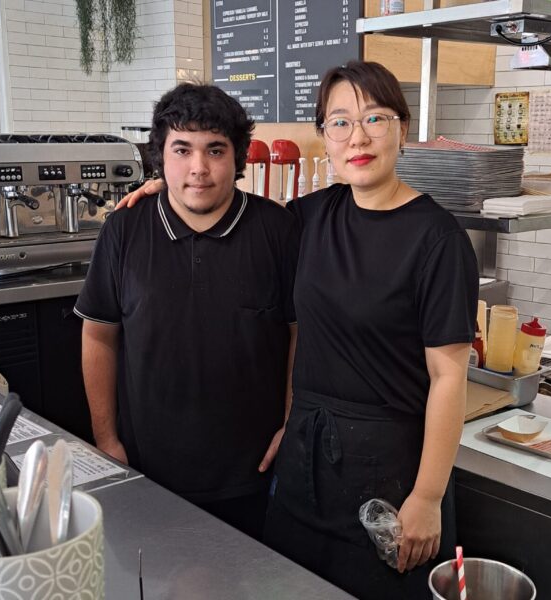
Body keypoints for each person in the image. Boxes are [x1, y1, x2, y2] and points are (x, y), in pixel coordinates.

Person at [118, 62, 479, 600]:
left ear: (403, 129)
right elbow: (226, 208)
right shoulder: (308, 217)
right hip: (304, 470)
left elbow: (449, 377)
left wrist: (428, 495)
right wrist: (167, 186)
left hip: (391, 470)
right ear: (324, 138)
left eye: (374, 119)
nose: (357, 137)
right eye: (339, 122)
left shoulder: (438, 239)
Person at [74, 83, 299, 539]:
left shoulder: (277, 229)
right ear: (161, 157)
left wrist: (291, 426)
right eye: (182, 149)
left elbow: (300, 335)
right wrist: (106, 440)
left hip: (255, 473)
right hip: (146, 466)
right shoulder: (124, 229)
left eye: (215, 150)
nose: (199, 168)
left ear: (238, 158)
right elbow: (99, 335)